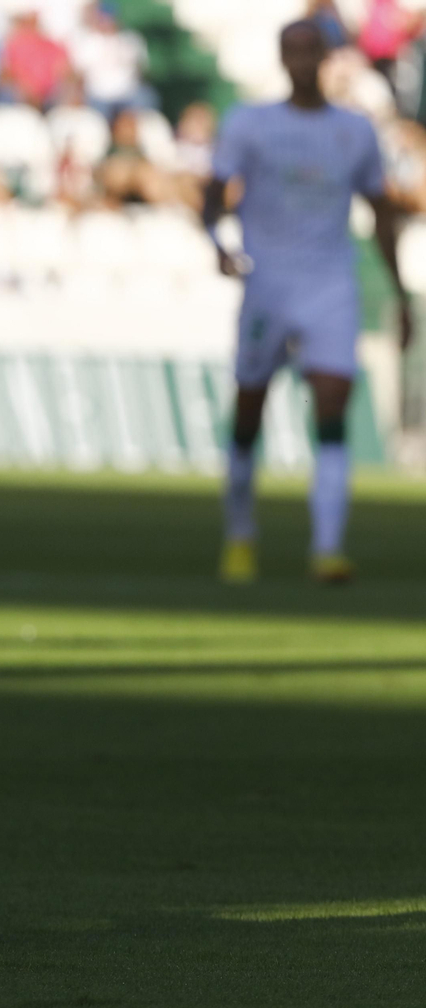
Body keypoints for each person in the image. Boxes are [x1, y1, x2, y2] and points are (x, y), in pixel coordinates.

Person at [203, 20, 411, 585]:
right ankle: (240, 536)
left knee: (332, 406)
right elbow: (212, 192)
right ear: (280, 57)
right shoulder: (250, 124)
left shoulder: (355, 131)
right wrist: (218, 245)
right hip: (267, 281)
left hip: (329, 283)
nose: (299, 61)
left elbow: (381, 209)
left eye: (307, 51)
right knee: (248, 410)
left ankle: (327, 548)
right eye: (290, 52)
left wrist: (398, 290)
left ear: (323, 56)